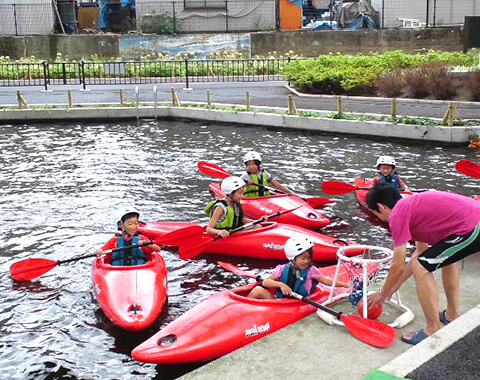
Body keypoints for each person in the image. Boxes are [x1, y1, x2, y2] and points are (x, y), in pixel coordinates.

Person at [366, 183, 480, 345]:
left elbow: (398, 264)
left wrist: (382, 293)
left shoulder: (397, 215)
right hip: (472, 222)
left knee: (422, 268)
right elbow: (419, 253)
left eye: (375, 214)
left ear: (381, 207)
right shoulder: (411, 206)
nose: (379, 218)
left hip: (473, 227)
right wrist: (392, 288)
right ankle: (451, 315)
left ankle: (432, 329)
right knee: (445, 260)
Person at [247, 236, 348, 299]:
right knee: (257, 290)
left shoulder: (311, 271)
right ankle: (246, 309)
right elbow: (265, 282)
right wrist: (281, 285)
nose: (306, 261)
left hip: (299, 302)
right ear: (293, 258)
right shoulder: (282, 269)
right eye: (303, 258)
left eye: (308, 258)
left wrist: (345, 285)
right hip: (280, 301)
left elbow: (326, 281)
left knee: (258, 290)